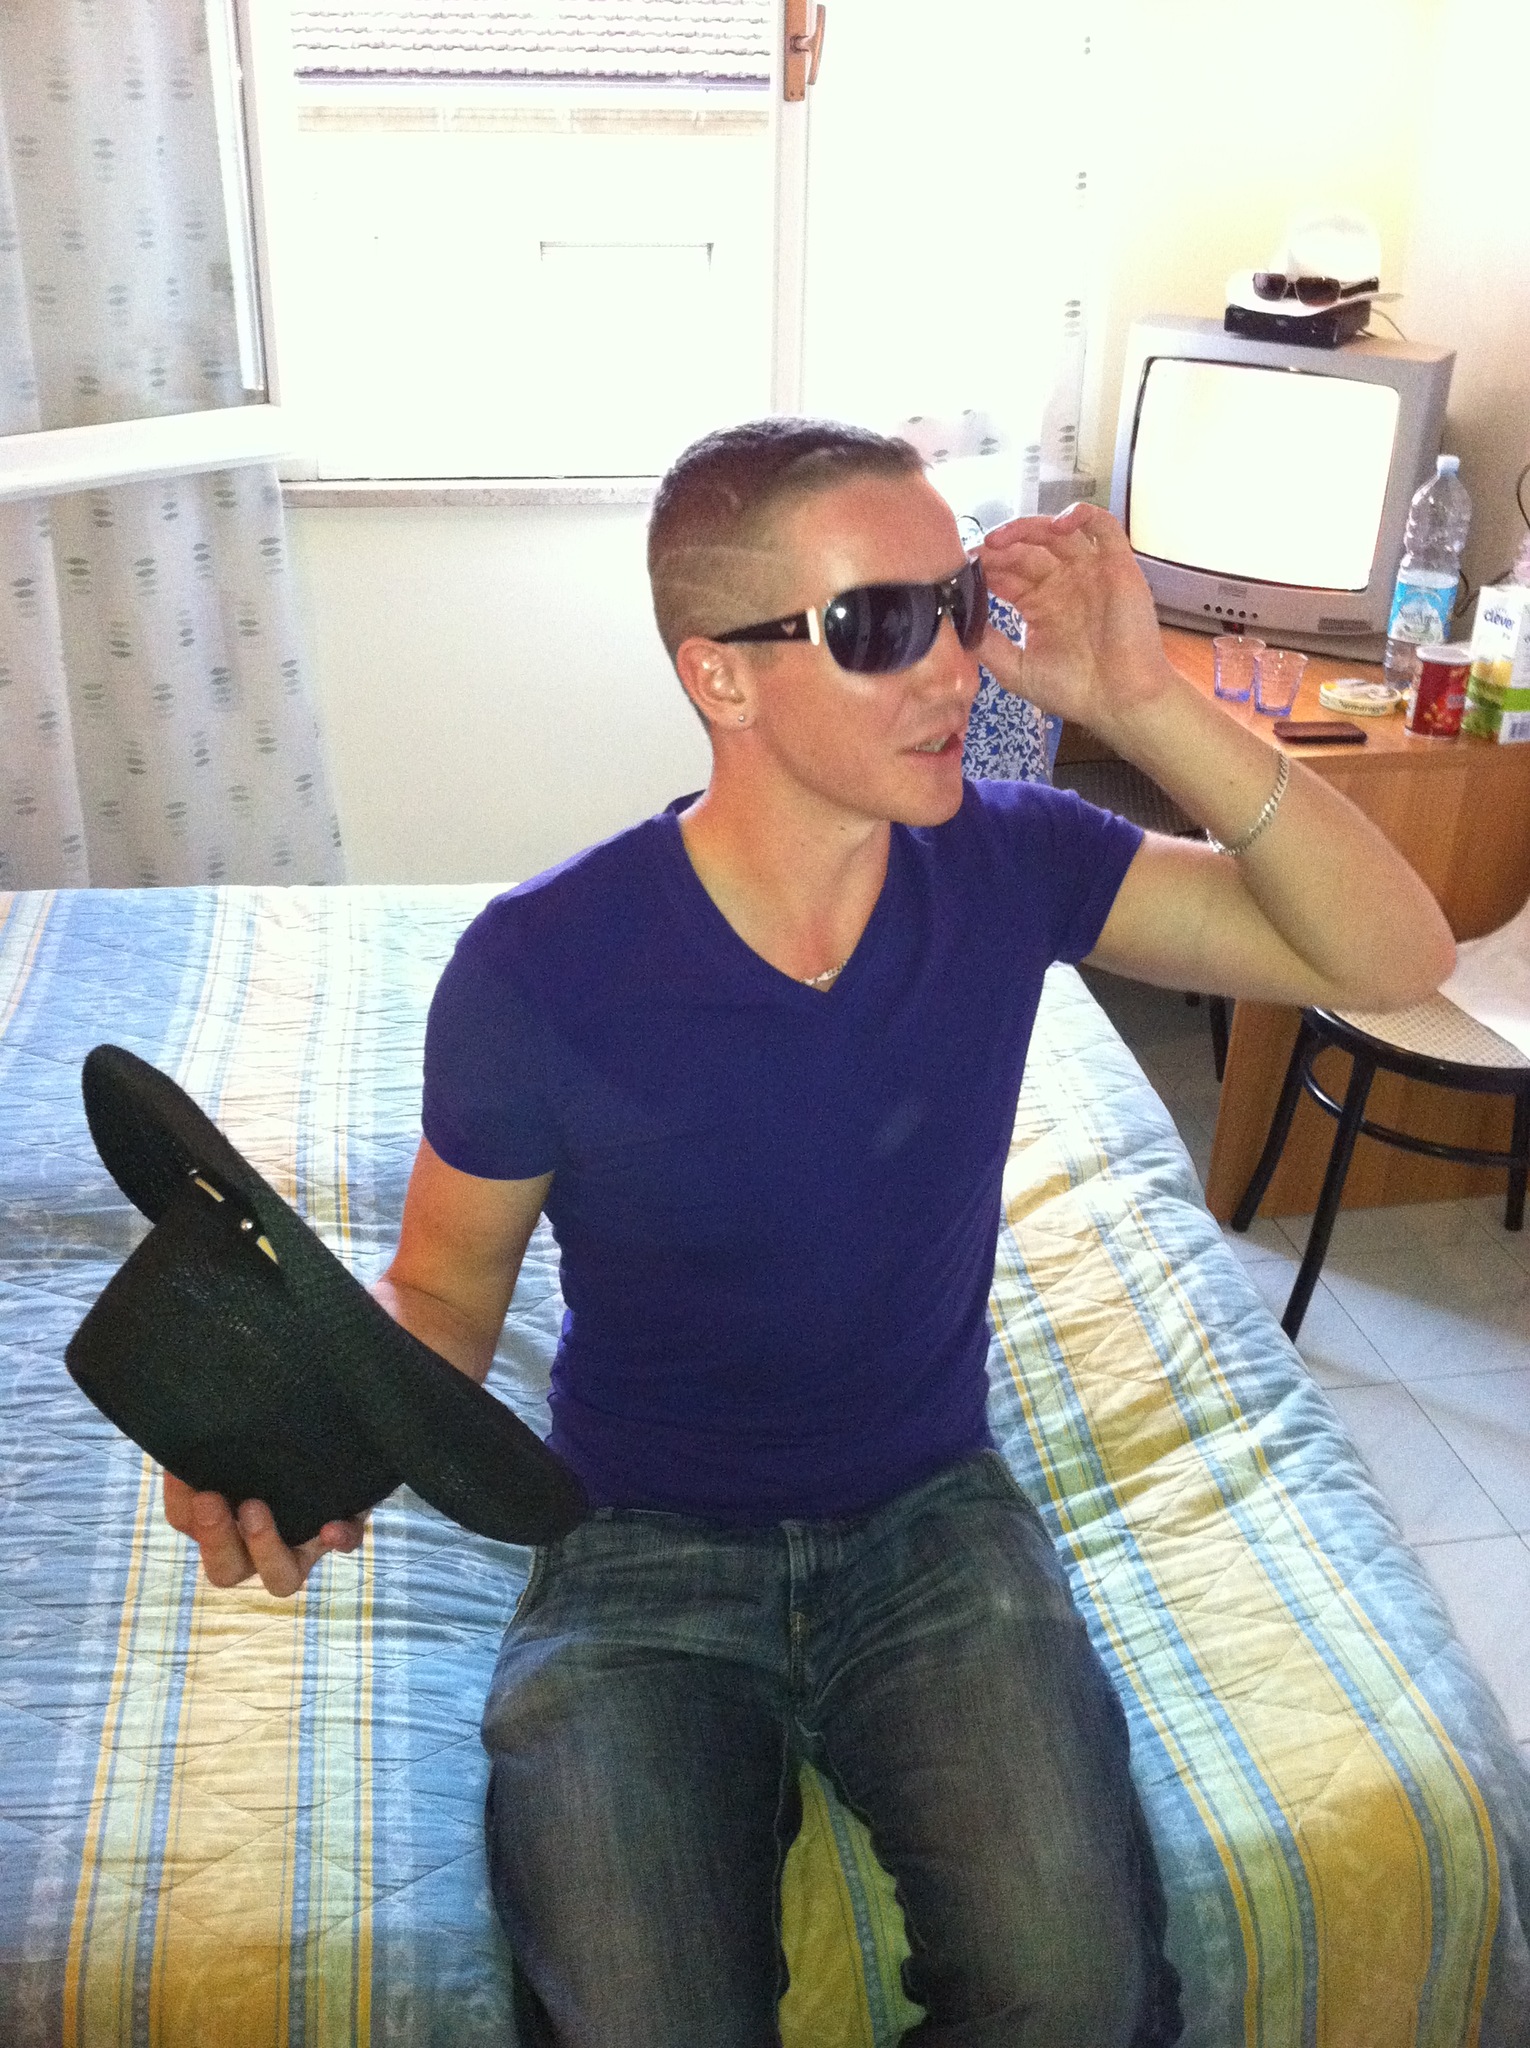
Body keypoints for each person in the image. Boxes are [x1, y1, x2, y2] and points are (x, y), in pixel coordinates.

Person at [166, 419, 1455, 2047]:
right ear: (721, 677)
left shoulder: (1010, 865)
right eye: (880, 624)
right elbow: (442, 1292)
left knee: (1077, 1993)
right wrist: (303, 1436)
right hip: (635, 1544)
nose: (954, 668)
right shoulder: (537, 971)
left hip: (931, 1520)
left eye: (958, 603)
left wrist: (1141, 701)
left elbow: (1392, 955)